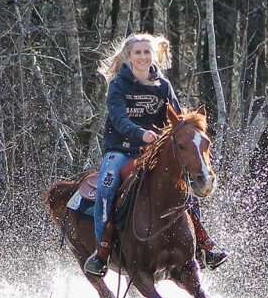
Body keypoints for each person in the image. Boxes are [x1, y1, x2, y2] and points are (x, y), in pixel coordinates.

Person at [83, 32, 228, 277]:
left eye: (146, 52)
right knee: (106, 190)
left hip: (155, 152)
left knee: (184, 187)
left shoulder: (163, 86)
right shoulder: (118, 85)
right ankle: (102, 253)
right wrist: (142, 134)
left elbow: (178, 120)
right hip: (121, 151)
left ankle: (204, 245)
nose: (142, 56)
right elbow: (118, 119)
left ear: (153, 56)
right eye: (137, 52)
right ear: (128, 56)